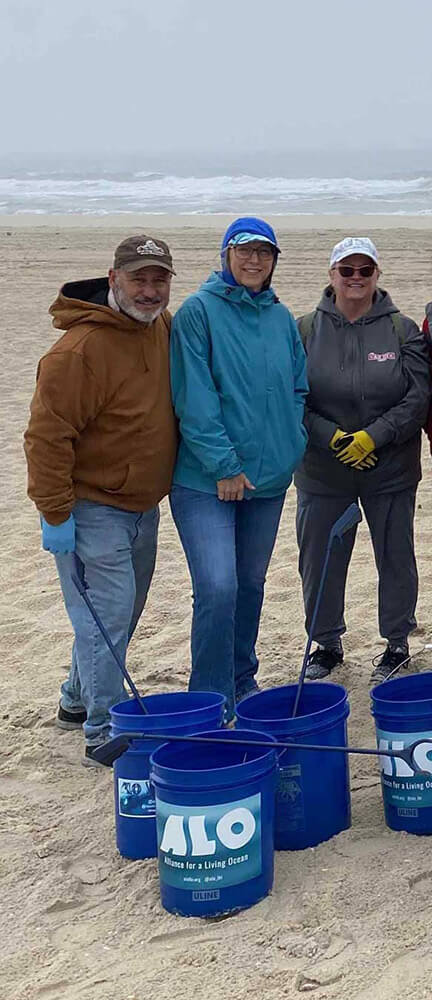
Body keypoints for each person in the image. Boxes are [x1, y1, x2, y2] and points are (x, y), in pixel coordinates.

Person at [24, 235, 177, 764]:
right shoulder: (76, 352)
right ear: (113, 279)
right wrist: (55, 514)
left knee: (115, 617)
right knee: (108, 617)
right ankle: (101, 729)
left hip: (142, 505)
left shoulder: (159, 326)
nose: (150, 290)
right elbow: (45, 437)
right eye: (139, 279)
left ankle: (73, 698)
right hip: (90, 508)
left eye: (160, 280)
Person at [170, 217, 308, 720]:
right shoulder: (197, 312)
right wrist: (225, 465)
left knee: (249, 584)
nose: (254, 261)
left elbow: (298, 388)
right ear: (225, 254)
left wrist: (289, 446)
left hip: (268, 481)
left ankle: (240, 679)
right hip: (207, 481)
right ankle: (209, 699)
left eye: (264, 253)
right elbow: (195, 397)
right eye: (244, 251)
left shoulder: (280, 317)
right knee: (218, 586)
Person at [295, 237, 431, 685]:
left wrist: (375, 436)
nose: (356, 278)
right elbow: (291, 397)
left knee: (395, 556)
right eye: (346, 270)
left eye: (364, 270)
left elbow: (418, 397)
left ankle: (396, 643)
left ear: (377, 275)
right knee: (321, 558)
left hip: (389, 468)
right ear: (331, 274)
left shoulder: (402, 329)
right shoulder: (304, 330)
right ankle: (326, 643)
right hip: (323, 469)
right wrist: (328, 435)